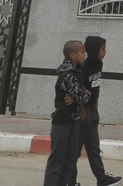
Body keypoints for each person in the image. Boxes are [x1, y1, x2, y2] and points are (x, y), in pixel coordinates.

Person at [67, 36, 122, 186]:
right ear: (93, 50)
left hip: (92, 112)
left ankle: (101, 178)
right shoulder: (82, 68)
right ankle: (70, 181)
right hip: (82, 113)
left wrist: (95, 111)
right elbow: (78, 92)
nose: (105, 52)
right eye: (102, 49)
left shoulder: (99, 65)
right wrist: (83, 112)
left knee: (93, 148)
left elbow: (96, 89)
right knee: (75, 150)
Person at [43, 40, 91, 186]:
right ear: (72, 55)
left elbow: (78, 95)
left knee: (70, 160)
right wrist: (85, 93)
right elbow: (83, 97)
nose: (85, 54)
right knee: (57, 160)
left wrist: (79, 95)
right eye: (82, 52)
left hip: (73, 120)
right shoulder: (68, 74)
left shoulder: (76, 71)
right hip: (62, 122)